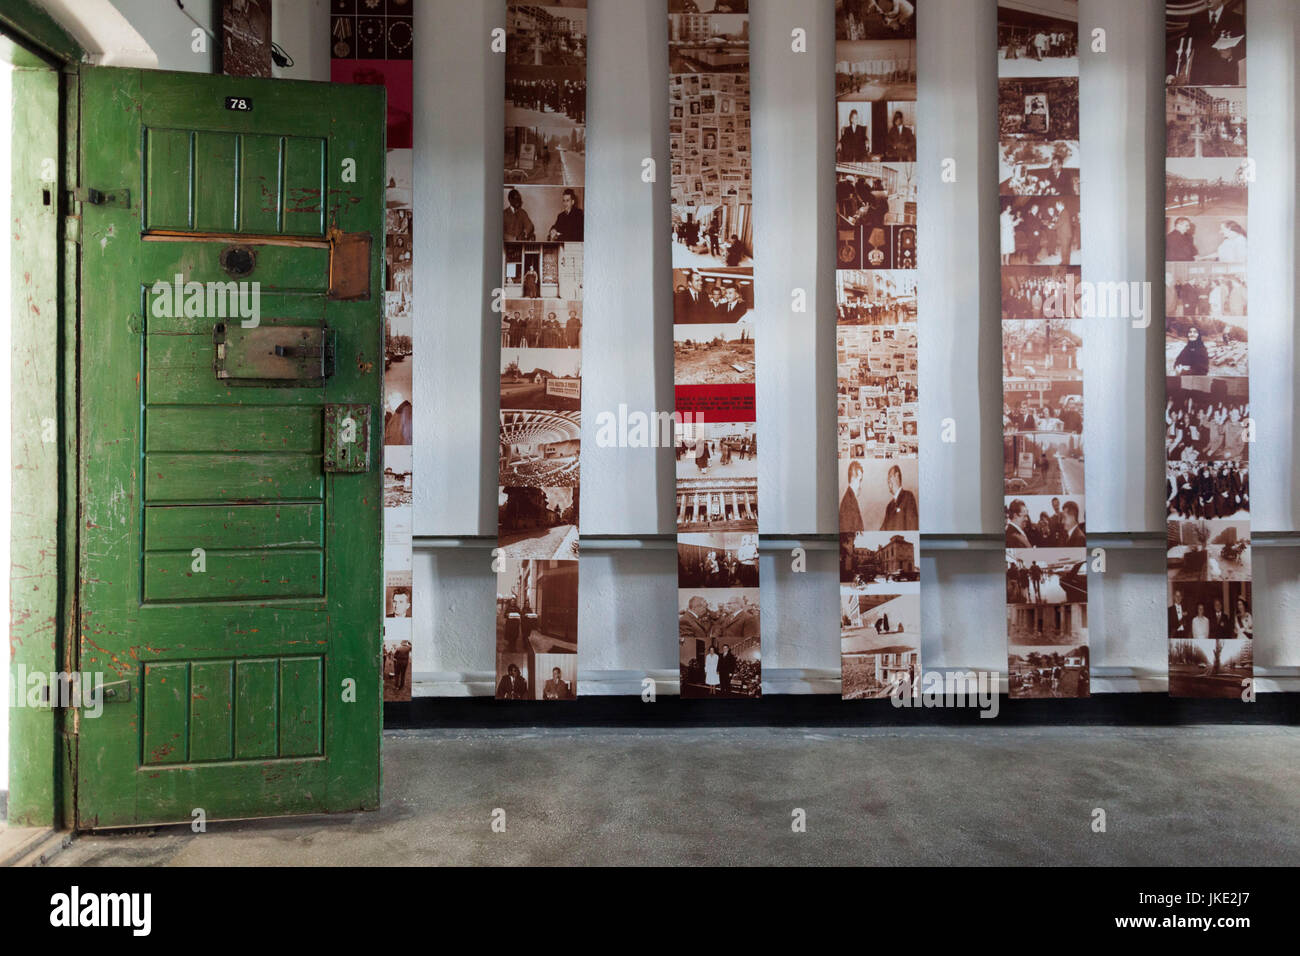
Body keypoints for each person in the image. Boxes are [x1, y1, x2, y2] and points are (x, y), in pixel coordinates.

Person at [880, 464, 918, 530]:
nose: (887, 480)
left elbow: (912, 527)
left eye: (890, 476)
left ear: (897, 476)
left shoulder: (908, 497)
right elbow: (883, 529)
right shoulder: (889, 506)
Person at [840, 460, 865, 533]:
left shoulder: (850, 499)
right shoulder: (848, 503)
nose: (860, 486)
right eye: (859, 480)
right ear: (853, 477)